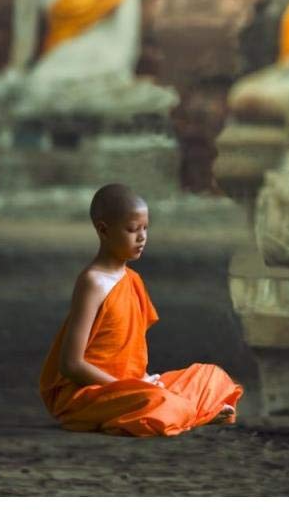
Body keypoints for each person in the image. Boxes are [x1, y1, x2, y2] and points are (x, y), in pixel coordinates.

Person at [39, 184, 243, 436]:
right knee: (161, 402)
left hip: (135, 387)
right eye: (133, 229)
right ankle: (187, 412)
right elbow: (71, 364)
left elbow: (130, 353)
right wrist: (128, 388)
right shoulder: (92, 281)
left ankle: (179, 412)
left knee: (213, 376)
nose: (142, 237)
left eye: (145, 228)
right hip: (92, 392)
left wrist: (146, 380)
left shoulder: (132, 279)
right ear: (103, 230)